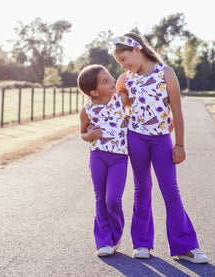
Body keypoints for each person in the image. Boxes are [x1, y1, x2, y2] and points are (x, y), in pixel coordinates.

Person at [113, 33, 209, 264]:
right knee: (142, 189)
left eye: (124, 59)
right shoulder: (126, 78)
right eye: (120, 63)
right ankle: (142, 244)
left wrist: (180, 144)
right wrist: (124, 97)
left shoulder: (165, 73)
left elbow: (177, 110)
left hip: (161, 140)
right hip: (136, 138)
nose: (124, 65)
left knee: (170, 191)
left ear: (137, 49)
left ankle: (185, 248)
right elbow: (119, 96)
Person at [77, 64, 129, 257]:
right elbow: (82, 133)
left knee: (113, 200)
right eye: (105, 80)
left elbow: (128, 86)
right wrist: (89, 134)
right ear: (93, 91)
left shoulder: (120, 99)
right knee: (100, 200)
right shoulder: (87, 110)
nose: (112, 80)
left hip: (119, 158)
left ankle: (116, 235)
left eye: (109, 76)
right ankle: (103, 241)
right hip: (97, 156)